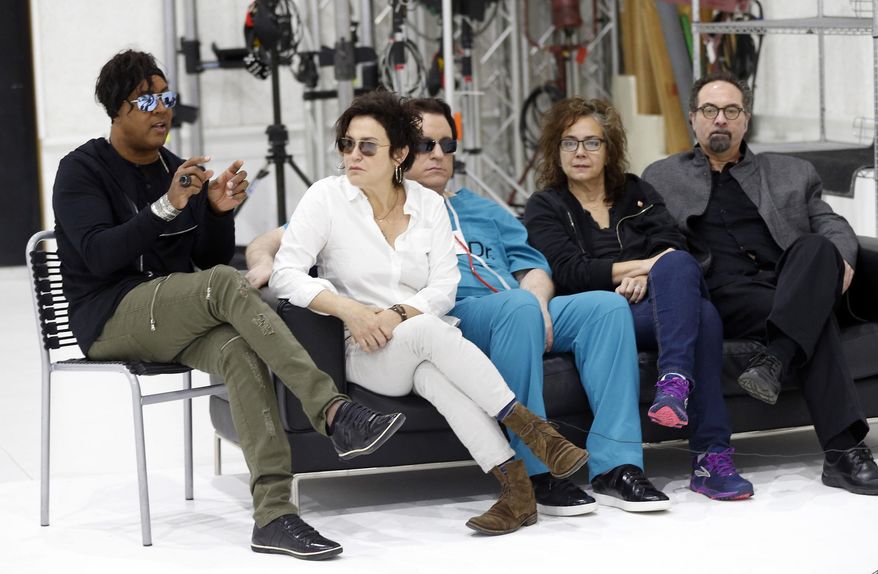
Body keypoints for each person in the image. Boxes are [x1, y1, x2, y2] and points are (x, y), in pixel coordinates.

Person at [52, 50, 409, 561]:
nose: (162, 110)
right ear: (116, 109)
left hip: (171, 311)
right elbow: (99, 253)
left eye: (167, 97)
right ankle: (331, 409)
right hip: (109, 315)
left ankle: (275, 516)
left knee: (239, 349)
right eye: (146, 99)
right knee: (223, 283)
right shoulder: (81, 170)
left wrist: (218, 213)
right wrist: (168, 206)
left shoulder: (175, 169)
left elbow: (206, 256)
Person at [252, 95, 670, 521]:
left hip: (442, 324)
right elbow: (282, 260)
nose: (353, 155)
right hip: (395, 333)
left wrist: (536, 303)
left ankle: (555, 481)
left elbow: (471, 281)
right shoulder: (329, 198)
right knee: (459, 324)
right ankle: (537, 440)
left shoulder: (449, 206)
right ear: (407, 152)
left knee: (595, 311)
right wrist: (337, 303)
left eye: (446, 146)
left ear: (395, 153)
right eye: (347, 144)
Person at [642, 70, 878, 495]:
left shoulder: (791, 172)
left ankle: (776, 357)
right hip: (726, 294)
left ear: (745, 119)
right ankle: (844, 452)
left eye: (731, 111)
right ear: (692, 118)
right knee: (814, 315)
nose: (720, 120)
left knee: (817, 248)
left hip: (789, 282)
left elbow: (834, 225)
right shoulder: (662, 176)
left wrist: (840, 258)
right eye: (710, 110)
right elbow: (650, 240)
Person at [523, 97, 753, 501]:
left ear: (609, 148)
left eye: (592, 142)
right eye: (569, 142)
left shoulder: (636, 191)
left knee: (683, 270)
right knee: (702, 315)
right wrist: (641, 268)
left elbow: (670, 244)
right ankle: (709, 455)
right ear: (554, 150)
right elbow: (570, 271)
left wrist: (651, 274)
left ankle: (674, 386)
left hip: (652, 306)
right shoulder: (546, 205)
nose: (580, 152)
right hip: (598, 316)